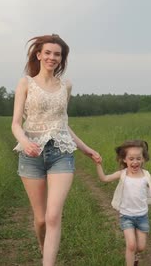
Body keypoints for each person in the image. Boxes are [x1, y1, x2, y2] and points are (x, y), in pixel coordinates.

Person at [11, 34, 102, 266]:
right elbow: (15, 124)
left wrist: (86, 149)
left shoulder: (66, 86)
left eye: (58, 54)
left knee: (53, 217)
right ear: (39, 55)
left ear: (62, 59)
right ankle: (44, 248)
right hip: (31, 155)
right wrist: (26, 141)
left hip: (61, 154)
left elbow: (62, 124)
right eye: (48, 53)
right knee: (41, 220)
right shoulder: (26, 83)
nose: (53, 57)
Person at [95, 140, 151, 266]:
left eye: (138, 158)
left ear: (143, 159)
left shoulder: (146, 175)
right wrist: (98, 164)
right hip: (126, 216)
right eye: (131, 159)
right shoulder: (123, 174)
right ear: (124, 160)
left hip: (142, 217)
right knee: (131, 245)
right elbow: (104, 178)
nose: (135, 162)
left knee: (140, 247)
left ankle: (135, 254)